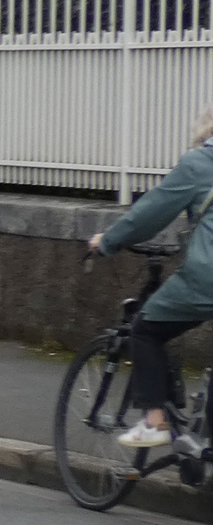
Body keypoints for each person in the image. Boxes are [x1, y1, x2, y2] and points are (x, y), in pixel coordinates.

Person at [88, 106, 213, 450]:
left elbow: (148, 215)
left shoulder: (199, 164)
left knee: (145, 329)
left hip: (208, 278)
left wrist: (108, 242)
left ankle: (155, 421)